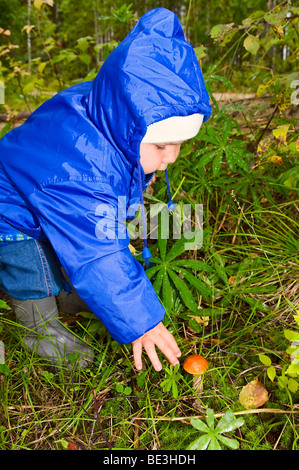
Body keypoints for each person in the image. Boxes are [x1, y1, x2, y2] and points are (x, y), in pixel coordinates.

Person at [0, 8, 211, 371]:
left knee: (61, 249)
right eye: (161, 146)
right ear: (128, 125)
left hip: (36, 189)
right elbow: (99, 252)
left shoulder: (101, 109)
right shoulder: (83, 174)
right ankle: (42, 332)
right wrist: (141, 320)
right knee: (30, 265)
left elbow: (101, 218)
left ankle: (70, 295)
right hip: (9, 209)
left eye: (179, 144)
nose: (172, 157)